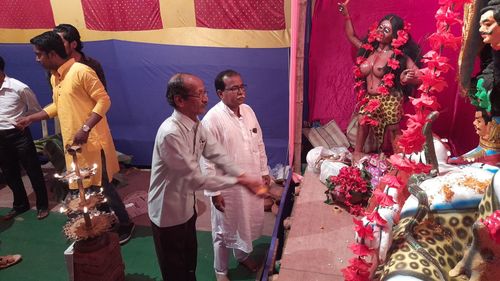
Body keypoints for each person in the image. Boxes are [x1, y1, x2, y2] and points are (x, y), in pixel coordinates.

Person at [16, 31, 134, 244]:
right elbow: (58, 106)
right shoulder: (56, 77)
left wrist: (86, 128)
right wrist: (33, 117)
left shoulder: (82, 71)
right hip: (74, 145)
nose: (37, 59)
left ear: (52, 54)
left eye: (39, 54)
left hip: (93, 143)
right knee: (85, 187)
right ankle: (101, 222)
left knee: (103, 186)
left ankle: (126, 223)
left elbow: (104, 101)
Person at [148, 73, 263, 281]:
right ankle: (219, 271)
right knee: (174, 268)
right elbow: (195, 178)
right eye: (199, 94)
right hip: (167, 211)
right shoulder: (171, 133)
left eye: (205, 93)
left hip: (187, 207)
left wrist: (243, 175)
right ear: (179, 100)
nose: (205, 99)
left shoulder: (196, 123)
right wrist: (240, 180)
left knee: (189, 261)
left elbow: (215, 152)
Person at [201, 70, 270, 281]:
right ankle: (220, 270)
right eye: (234, 88)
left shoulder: (248, 111)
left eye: (242, 87)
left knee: (246, 222)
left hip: (250, 181)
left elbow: (258, 142)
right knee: (223, 230)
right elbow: (206, 159)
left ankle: (241, 255)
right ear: (220, 93)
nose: (241, 92)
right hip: (227, 186)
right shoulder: (212, 119)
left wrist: (264, 171)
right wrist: (214, 192)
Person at [338, 1, 421, 161]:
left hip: (390, 98)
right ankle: (358, 153)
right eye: (380, 27)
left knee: (392, 129)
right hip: (370, 97)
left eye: (387, 30)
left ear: (395, 35)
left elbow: (420, 78)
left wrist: (405, 80)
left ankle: (398, 160)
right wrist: (346, 15)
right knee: (363, 120)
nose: (381, 31)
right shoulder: (367, 49)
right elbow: (350, 36)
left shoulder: (399, 56)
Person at [0, 55, 49, 220]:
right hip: (0, 138)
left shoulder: (18, 87)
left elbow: (36, 110)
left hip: (19, 135)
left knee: (33, 170)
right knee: (10, 173)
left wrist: (24, 121)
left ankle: (42, 205)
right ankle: (20, 205)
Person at [53, 24, 107, 88]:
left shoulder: (92, 65)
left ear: (74, 44)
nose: (56, 47)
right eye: (54, 43)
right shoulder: (54, 67)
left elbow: (101, 94)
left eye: (61, 43)